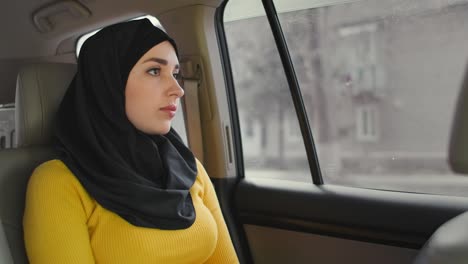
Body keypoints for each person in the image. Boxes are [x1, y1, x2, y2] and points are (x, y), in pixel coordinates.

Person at [23, 18, 239, 264]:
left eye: (175, 73)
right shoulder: (57, 182)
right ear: (108, 82)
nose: (178, 89)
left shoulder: (189, 169)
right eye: (155, 71)